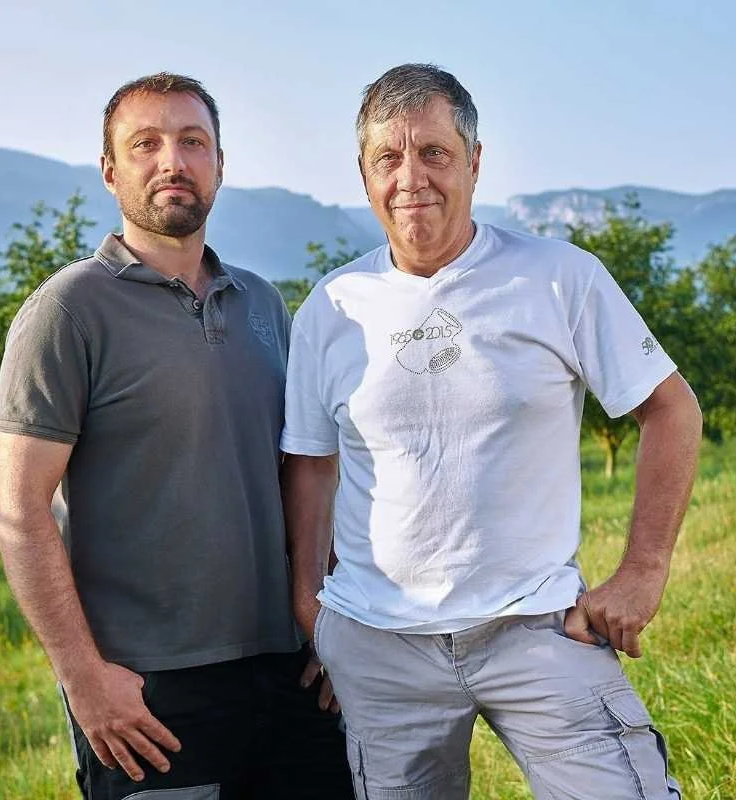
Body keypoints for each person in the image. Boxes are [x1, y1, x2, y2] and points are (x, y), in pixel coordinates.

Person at [281, 63, 703, 799]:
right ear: (363, 173)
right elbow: (313, 462)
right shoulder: (332, 306)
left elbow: (671, 409)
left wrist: (643, 569)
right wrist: (312, 608)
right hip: (381, 646)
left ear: (475, 162)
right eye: (388, 157)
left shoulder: (556, 278)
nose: (410, 177)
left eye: (434, 153)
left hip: (537, 627)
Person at [0, 72, 352, 800]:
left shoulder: (263, 302)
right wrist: (85, 679)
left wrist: (337, 624)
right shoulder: (67, 311)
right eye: (145, 144)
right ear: (109, 170)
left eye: (192, 142)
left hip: (292, 673)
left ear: (220, 163)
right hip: (148, 693)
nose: (172, 162)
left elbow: (305, 474)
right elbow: (18, 511)